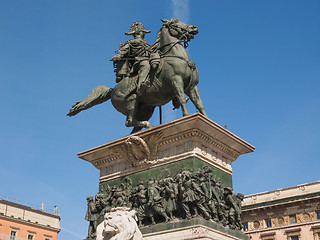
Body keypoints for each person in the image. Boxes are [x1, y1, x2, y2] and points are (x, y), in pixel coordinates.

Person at [111, 21, 152, 96]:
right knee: (146, 65)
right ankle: (140, 86)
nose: (144, 34)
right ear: (139, 33)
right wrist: (118, 55)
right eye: (143, 32)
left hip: (150, 61)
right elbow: (124, 50)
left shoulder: (148, 44)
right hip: (139, 62)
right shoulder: (132, 42)